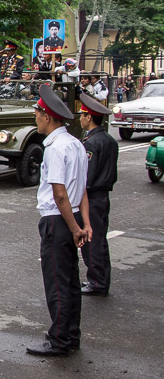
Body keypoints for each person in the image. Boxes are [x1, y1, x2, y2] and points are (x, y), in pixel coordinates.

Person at [27, 83, 91, 357]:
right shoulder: (76, 143)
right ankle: (70, 335)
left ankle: (60, 340)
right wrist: (84, 223)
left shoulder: (54, 148)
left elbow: (60, 193)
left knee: (57, 283)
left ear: (48, 117)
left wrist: (75, 227)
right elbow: (83, 190)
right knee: (71, 282)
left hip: (58, 220)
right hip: (73, 216)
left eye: (38, 115)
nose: (36, 119)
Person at [79, 93, 119, 297]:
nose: (80, 118)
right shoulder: (109, 140)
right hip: (103, 196)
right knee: (100, 240)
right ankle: (100, 279)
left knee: (92, 241)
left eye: (82, 115)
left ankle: (97, 282)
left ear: (88, 117)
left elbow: (88, 175)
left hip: (93, 198)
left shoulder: (91, 143)